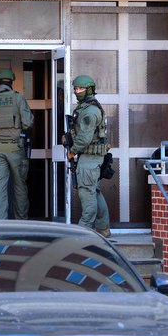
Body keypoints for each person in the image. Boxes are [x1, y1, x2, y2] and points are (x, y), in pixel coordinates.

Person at [0, 69, 34, 219]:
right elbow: (28, 123)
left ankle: (0, 224)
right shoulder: (17, 98)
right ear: (11, 81)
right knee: (20, 187)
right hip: (16, 148)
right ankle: (21, 223)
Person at [67, 74, 111, 237]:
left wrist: (72, 151)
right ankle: (102, 227)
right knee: (95, 191)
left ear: (90, 89)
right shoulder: (86, 107)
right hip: (91, 157)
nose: (77, 91)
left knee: (86, 192)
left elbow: (84, 138)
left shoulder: (90, 111)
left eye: (81, 88)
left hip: (89, 157)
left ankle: (84, 230)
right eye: (76, 88)